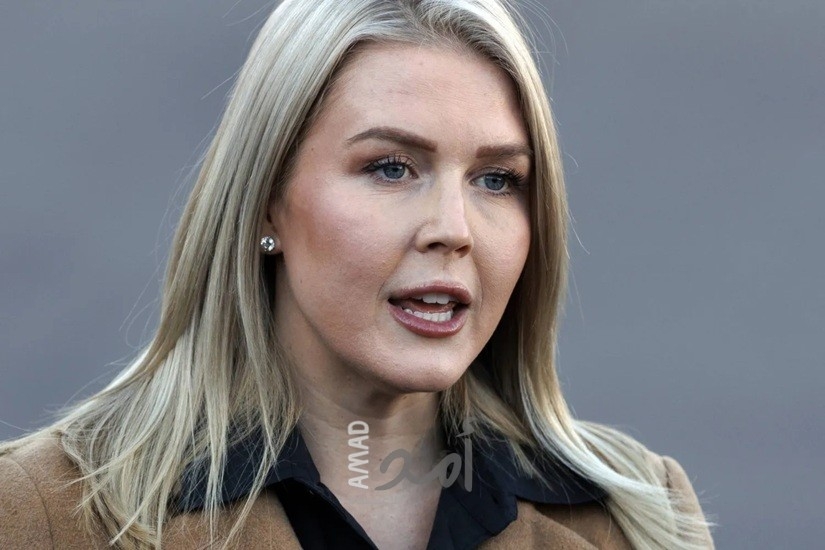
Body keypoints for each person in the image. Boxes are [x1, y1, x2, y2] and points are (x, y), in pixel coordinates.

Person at [0, 0, 714, 548]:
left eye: (496, 179)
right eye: (391, 168)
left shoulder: (638, 517)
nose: (454, 229)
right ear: (266, 199)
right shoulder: (43, 511)